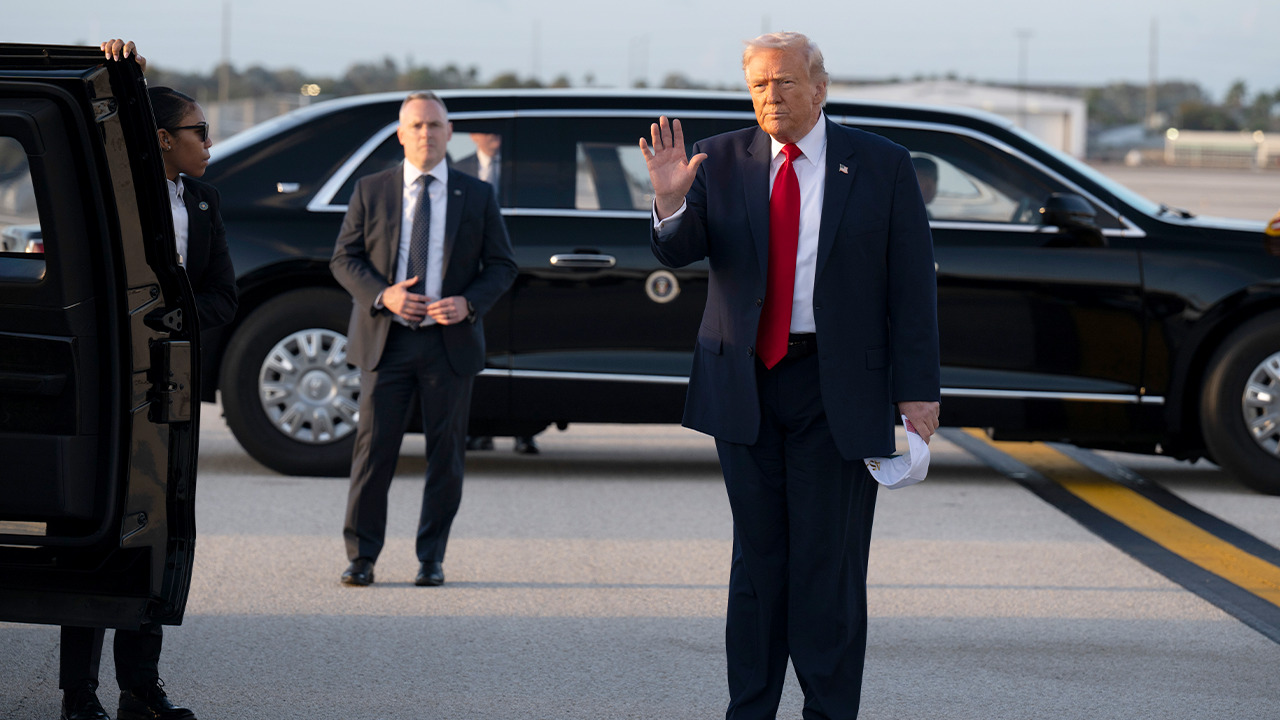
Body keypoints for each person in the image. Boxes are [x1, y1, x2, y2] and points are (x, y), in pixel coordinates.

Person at [641, 32, 940, 719]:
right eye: (758, 86)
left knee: (826, 564)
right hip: (744, 385)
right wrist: (670, 202)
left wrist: (918, 392)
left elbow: (911, 288)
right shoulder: (717, 158)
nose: (770, 97)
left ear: (819, 88)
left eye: (784, 83)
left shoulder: (882, 164)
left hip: (838, 388)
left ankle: (828, 711)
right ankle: (750, 709)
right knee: (758, 561)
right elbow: (680, 251)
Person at [57, 39, 238, 720]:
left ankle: (141, 689)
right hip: (110, 387)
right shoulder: (116, 195)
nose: (209, 143)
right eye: (199, 131)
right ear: (162, 139)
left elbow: (223, 294)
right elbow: (100, 126)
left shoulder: (205, 201)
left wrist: (178, 318)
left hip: (171, 387)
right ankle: (79, 695)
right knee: (98, 533)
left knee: (155, 533)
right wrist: (122, 71)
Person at [331, 91, 517, 589]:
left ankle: (431, 558)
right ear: (401, 133)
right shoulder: (372, 190)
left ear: (450, 133)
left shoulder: (477, 194)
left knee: (446, 457)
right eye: (416, 125)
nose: (426, 134)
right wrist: (383, 295)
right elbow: (344, 259)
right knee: (373, 454)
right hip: (386, 342)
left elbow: (502, 265)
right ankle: (361, 556)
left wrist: (468, 303)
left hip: (448, 346)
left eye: (435, 125)